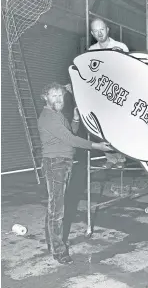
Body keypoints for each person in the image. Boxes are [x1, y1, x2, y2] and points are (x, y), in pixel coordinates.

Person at [38, 82, 112, 264]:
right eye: (53, 95)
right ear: (45, 97)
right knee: (57, 209)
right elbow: (71, 139)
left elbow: (70, 132)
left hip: (63, 163)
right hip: (55, 164)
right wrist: (97, 146)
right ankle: (59, 251)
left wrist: (76, 118)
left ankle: (53, 242)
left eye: (60, 95)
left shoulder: (58, 115)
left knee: (56, 205)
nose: (58, 99)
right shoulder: (48, 117)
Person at [65, 17, 128, 169]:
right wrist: (75, 83)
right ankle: (111, 158)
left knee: (118, 126)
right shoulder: (91, 51)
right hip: (100, 94)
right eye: (96, 31)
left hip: (117, 92)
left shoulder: (120, 47)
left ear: (107, 30)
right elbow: (87, 74)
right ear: (92, 33)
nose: (99, 33)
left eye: (102, 30)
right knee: (100, 127)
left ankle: (121, 158)